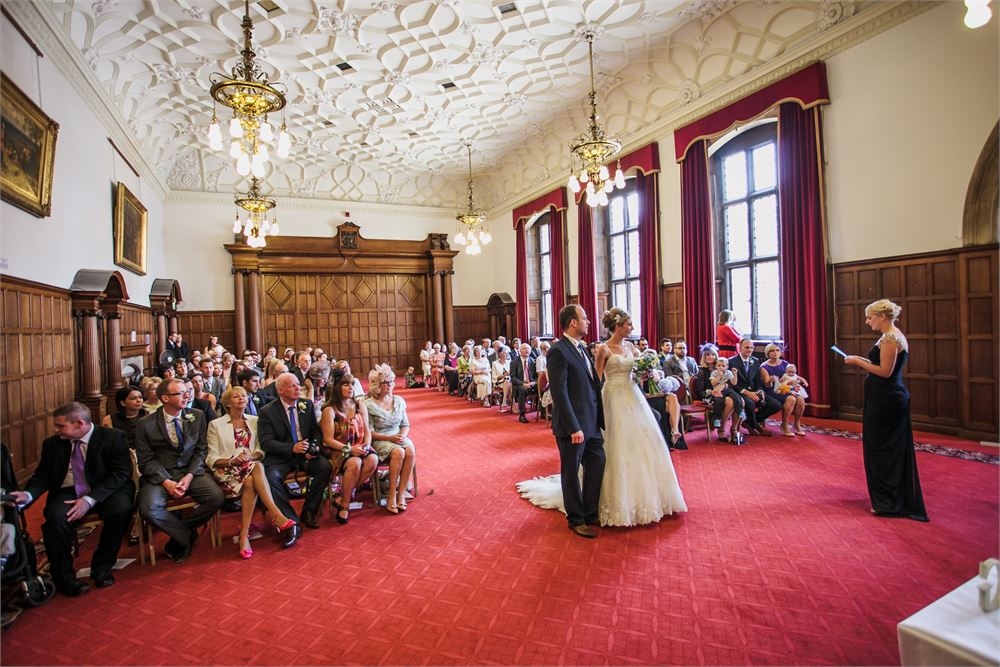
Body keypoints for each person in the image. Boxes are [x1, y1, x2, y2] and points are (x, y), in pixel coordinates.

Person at [10, 403, 133, 596]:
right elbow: (43, 475)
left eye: (60, 426)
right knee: (55, 521)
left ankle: (102, 566)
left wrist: (89, 500)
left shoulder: (113, 437)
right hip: (68, 490)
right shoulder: (52, 444)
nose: (55, 430)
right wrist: (29, 494)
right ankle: (64, 578)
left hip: (106, 489)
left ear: (79, 424)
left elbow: (121, 473)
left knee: (121, 510)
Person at [844, 299, 928, 522]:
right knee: (879, 447)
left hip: (887, 400)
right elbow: (881, 364)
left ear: (882, 316)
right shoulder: (889, 336)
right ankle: (885, 498)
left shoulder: (891, 338)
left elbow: (884, 372)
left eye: (870, 317)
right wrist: (859, 358)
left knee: (882, 448)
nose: (867, 321)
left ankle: (889, 502)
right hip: (881, 398)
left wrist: (858, 363)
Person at [528, 305, 606, 538]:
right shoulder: (558, 351)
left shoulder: (582, 349)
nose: (588, 321)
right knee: (571, 471)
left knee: (597, 463)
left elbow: (592, 384)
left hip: (591, 422)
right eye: (584, 318)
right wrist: (574, 427)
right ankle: (576, 518)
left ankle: (590, 511)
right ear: (573, 322)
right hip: (573, 426)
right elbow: (559, 393)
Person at [134, 379, 225, 564]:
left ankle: (182, 531)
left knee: (216, 496)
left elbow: (201, 450)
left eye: (187, 391)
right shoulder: (145, 424)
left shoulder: (197, 415)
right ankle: (185, 535)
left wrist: (190, 475)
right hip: (160, 475)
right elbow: (145, 461)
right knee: (148, 509)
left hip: (191, 471)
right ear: (165, 398)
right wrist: (166, 481)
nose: (187, 395)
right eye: (180, 393)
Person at [206, 387, 295, 559]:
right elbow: (212, 457)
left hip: (250, 467)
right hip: (227, 469)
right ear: (227, 403)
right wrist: (234, 460)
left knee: (252, 477)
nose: (241, 398)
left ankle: (243, 536)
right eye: (236, 396)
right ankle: (276, 514)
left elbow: (261, 450)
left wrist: (250, 456)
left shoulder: (254, 420)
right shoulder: (215, 425)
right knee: (258, 468)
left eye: (244, 395)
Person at [257, 373, 333, 545]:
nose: (298, 388)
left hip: (304, 453)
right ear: (280, 389)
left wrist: (314, 447)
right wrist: (291, 447)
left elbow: (315, 430)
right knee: (271, 477)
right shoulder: (267, 411)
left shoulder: (306, 404)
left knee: (324, 467)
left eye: (298, 385)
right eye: (293, 386)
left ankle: (309, 511)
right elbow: (266, 442)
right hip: (281, 456)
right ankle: (291, 522)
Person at [321, 370, 377, 523]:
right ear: (337, 387)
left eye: (352, 384)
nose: (350, 387)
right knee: (355, 462)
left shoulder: (359, 405)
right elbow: (328, 439)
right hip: (340, 449)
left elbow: (367, 430)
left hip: (360, 445)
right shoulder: (330, 410)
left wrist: (366, 445)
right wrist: (350, 449)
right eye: (346, 384)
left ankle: (341, 496)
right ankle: (345, 505)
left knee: (372, 460)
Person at [365, 365, 416, 515]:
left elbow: (405, 424)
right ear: (377, 386)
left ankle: (401, 493)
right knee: (399, 452)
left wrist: (403, 435)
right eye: (385, 383)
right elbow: (370, 432)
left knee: (410, 450)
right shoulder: (368, 405)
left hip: (397, 436)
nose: (389, 385)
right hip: (380, 438)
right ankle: (391, 494)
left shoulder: (399, 400)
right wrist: (390, 438)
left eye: (390, 382)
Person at [729, 338, 781, 437]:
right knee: (750, 403)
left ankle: (749, 422)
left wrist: (760, 391)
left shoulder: (755, 361)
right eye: (747, 347)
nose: (750, 350)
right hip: (740, 392)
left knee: (776, 405)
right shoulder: (731, 361)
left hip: (754, 391)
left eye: (752, 347)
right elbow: (732, 383)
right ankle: (757, 427)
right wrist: (747, 393)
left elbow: (758, 381)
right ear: (740, 348)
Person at [696, 344, 744, 443]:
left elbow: (731, 384)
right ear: (703, 357)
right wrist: (712, 392)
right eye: (707, 355)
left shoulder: (722, 367)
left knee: (741, 401)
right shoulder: (702, 371)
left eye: (713, 355)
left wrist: (725, 385)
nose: (710, 357)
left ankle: (734, 429)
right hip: (710, 395)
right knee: (730, 402)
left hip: (725, 392)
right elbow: (700, 391)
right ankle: (721, 429)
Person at [760, 343, 807, 437]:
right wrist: (770, 380)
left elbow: (793, 377)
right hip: (773, 390)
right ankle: (784, 424)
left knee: (801, 399)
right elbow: (767, 385)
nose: (775, 352)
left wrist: (796, 381)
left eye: (777, 350)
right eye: (772, 351)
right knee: (791, 399)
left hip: (786, 389)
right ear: (768, 353)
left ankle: (796, 424)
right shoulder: (764, 366)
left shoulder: (785, 363)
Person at [510, 342, 537, 423]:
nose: (527, 350)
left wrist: (533, 382)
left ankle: (543, 412)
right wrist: (523, 384)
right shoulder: (514, 362)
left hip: (531, 383)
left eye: (528, 349)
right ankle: (522, 414)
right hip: (520, 384)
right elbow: (513, 377)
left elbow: (536, 376)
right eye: (524, 349)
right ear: (520, 351)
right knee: (523, 390)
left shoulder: (533, 361)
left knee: (543, 388)